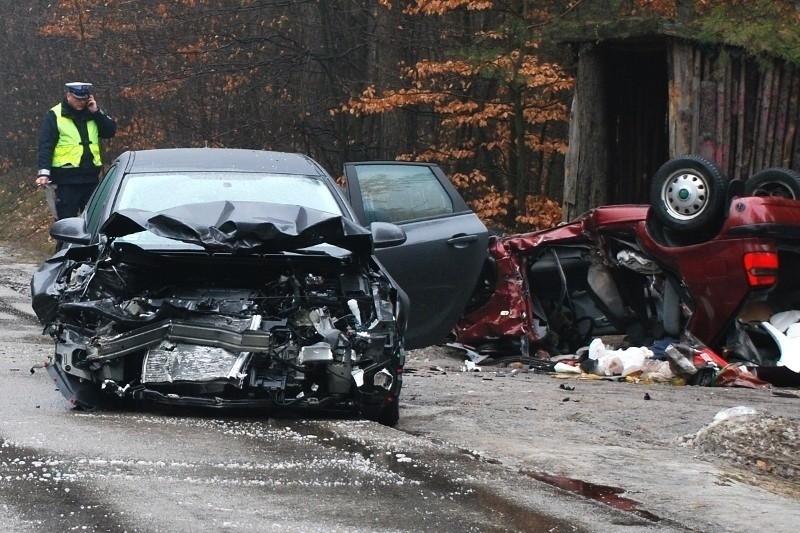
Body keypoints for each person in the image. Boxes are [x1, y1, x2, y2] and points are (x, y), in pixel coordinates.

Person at [35, 82, 117, 219]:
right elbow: (46, 144)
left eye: (84, 99)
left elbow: (110, 131)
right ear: (68, 96)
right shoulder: (55, 114)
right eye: (77, 99)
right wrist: (44, 172)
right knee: (66, 224)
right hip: (67, 180)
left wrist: (96, 112)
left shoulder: (93, 114)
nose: (81, 102)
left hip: (91, 178)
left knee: (94, 222)